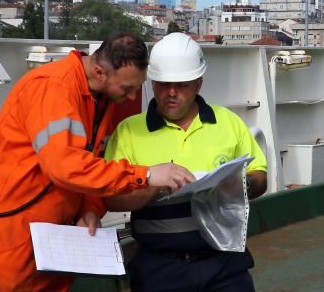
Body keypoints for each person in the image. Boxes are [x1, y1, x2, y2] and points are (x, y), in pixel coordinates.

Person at [0, 33, 195, 292]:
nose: (134, 97)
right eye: (127, 88)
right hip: (9, 239)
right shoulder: (52, 87)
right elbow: (65, 166)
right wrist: (145, 175)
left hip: (53, 242)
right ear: (100, 72)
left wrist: (89, 207)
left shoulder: (98, 97)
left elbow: (91, 162)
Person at [104, 32, 268, 292]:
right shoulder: (129, 131)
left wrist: (238, 183)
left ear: (198, 84)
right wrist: (154, 184)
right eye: (163, 84)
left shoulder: (228, 122)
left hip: (225, 264)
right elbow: (111, 198)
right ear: (152, 82)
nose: (171, 93)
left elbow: (260, 176)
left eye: (182, 85)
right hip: (159, 270)